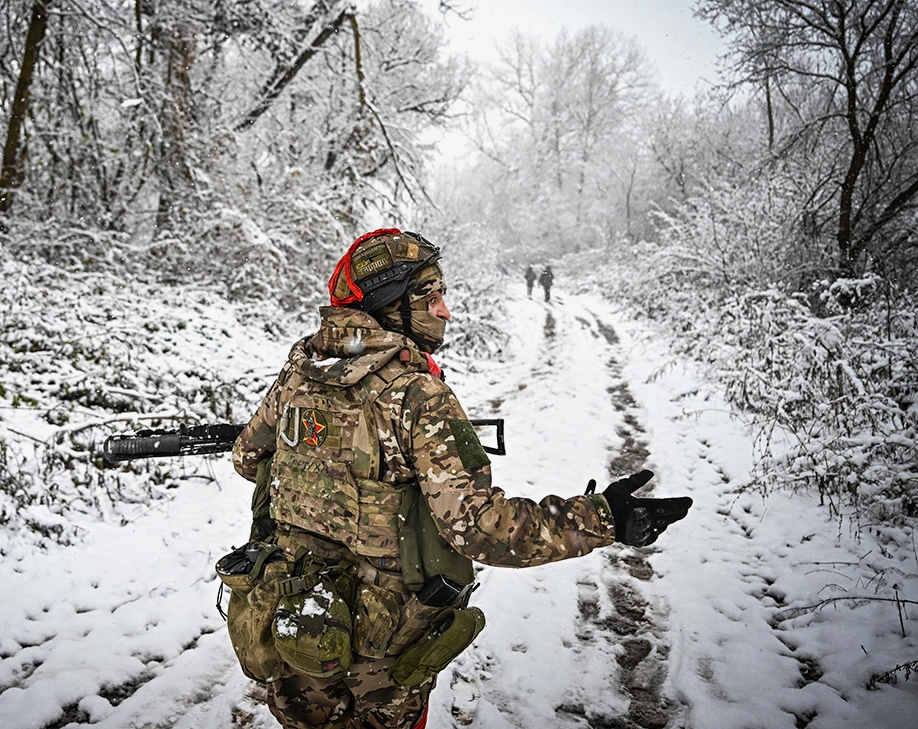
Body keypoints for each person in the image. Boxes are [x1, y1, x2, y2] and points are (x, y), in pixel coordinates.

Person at [231, 228, 691, 729]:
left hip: (295, 620)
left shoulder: (303, 371)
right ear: (391, 304)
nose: (445, 310)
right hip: (378, 646)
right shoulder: (417, 394)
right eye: (431, 297)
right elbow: (481, 529)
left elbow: (249, 458)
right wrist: (606, 518)